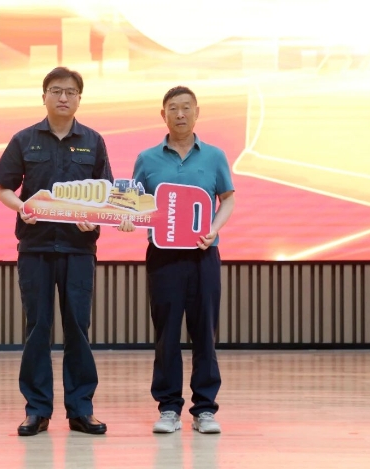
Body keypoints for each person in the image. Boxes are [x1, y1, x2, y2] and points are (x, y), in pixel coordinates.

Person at [0, 67, 112, 436]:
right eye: (56, 90)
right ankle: (37, 410)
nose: (63, 97)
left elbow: (105, 195)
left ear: (79, 99)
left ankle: (81, 410)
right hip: (36, 248)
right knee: (37, 329)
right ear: (43, 96)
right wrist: (21, 207)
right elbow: (4, 189)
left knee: (78, 328)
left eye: (70, 92)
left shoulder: (93, 141)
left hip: (78, 249)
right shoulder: (24, 140)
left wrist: (95, 219)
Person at [119, 86, 234, 434]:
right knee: (166, 333)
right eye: (173, 108)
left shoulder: (214, 156)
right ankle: (168, 407)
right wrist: (127, 217)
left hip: (203, 255)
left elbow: (227, 199)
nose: (180, 114)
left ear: (197, 112)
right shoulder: (147, 159)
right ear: (163, 115)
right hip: (163, 258)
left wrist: (214, 228)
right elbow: (132, 202)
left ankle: (205, 410)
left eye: (186, 108)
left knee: (204, 332)